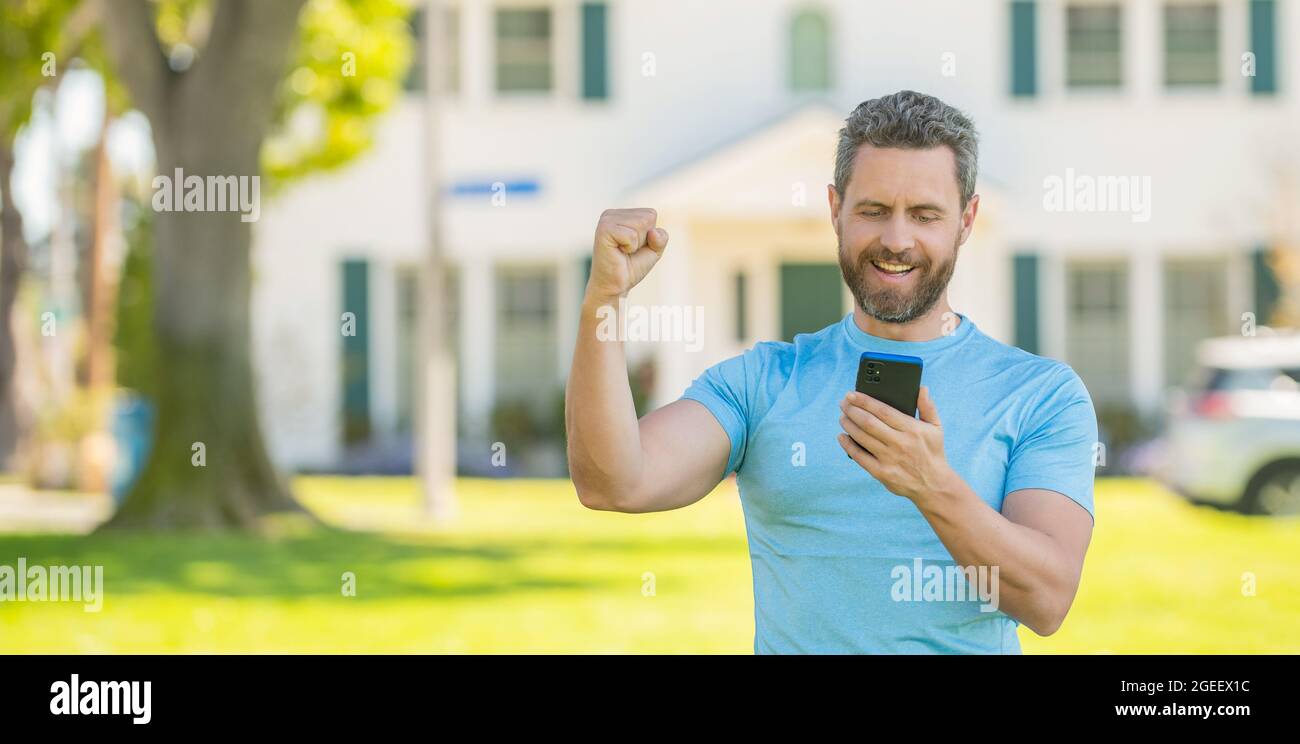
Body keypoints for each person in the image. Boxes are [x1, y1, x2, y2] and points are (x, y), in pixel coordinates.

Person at [564, 90, 1097, 654]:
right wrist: (604, 298)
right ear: (835, 209)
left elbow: (1046, 600)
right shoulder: (763, 382)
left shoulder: (1041, 395)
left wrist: (932, 486)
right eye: (873, 211)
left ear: (966, 220)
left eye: (924, 214)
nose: (896, 239)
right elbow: (612, 482)